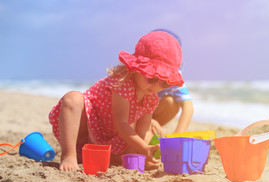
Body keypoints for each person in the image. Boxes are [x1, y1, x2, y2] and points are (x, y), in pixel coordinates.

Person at [48, 31, 184, 171]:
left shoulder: (151, 98)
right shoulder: (123, 83)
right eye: (153, 78)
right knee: (73, 99)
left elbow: (143, 129)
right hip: (84, 125)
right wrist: (143, 148)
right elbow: (121, 123)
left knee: (141, 138)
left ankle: (87, 155)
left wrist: (144, 152)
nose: (157, 86)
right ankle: (69, 155)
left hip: (106, 141)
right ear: (137, 69)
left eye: (165, 83)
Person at [148, 29, 194, 137]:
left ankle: (150, 129)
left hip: (149, 113)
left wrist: (177, 135)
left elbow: (188, 107)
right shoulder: (141, 73)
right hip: (131, 114)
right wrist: (147, 120)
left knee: (171, 102)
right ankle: (146, 127)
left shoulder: (172, 76)